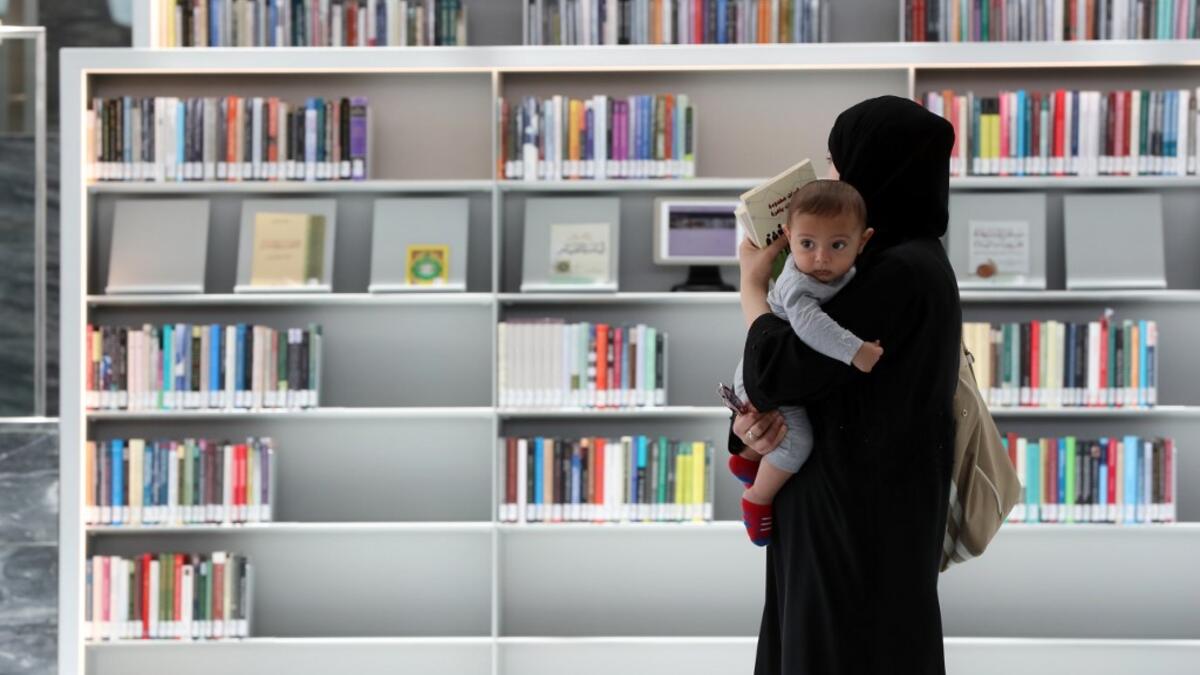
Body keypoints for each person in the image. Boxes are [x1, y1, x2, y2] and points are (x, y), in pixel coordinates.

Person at [731, 95, 961, 674]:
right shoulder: (881, 264)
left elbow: (777, 369)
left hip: (853, 524)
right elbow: (799, 383)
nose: (834, 181)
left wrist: (751, 291)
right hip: (856, 511)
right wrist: (750, 433)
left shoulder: (899, 272)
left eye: (840, 165)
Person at [729, 179, 884, 546]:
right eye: (807, 244)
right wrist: (856, 351)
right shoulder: (799, 283)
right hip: (761, 375)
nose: (821, 258)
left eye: (838, 245)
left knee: (784, 436)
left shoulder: (845, 272)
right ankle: (757, 498)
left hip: (772, 370)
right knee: (798, 442)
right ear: (788, 236)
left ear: (864, 241)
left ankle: (746, 463)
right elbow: (810, 326)